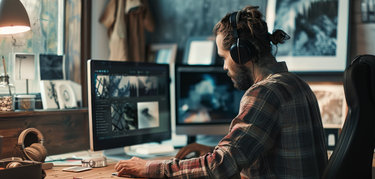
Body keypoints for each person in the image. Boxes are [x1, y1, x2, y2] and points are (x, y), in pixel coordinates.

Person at [114, 6, 328, 178]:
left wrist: (150, 167)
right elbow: (255, 151)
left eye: (224, 57)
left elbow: (219, 168)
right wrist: (211, 150)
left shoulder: (265, 93)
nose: (224, 67)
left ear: (241, 53)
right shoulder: (297, 84)